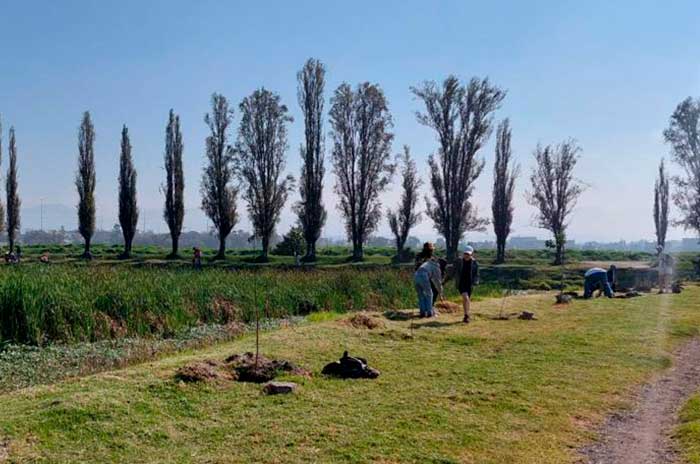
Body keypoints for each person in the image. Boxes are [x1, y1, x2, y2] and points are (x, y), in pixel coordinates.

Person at [449, 246, 479, 324]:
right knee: (465, 297)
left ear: (471, 254)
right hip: (461, 283)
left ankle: (466, 314)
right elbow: (453, 271)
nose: (466, 255)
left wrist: (476, 281)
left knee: (467, 299)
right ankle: (466, 315)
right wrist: (446, 279)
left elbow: (476, 274)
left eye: (468, 254)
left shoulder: (475, 263)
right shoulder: (458, 261)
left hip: (470, 283)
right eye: (465, 253)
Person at [414, 245, 443, 318]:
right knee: (430, 294)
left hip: (416, 275)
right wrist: (441, 293)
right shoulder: (436, 267)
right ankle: (430, 313)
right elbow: (438, 282)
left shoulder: (427, 262)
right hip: (423, 276)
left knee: (421, 295)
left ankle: (422, 313)